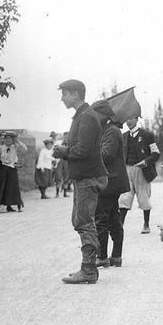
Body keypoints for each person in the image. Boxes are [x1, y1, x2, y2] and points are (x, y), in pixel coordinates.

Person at [53, 80, 107, 284]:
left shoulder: (86, 117)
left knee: (84, 222)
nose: (62, 98)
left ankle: (89, 270)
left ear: (75, 94)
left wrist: (63, 151)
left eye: (65, 94)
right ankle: (89, 267)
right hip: (84, 177)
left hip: (88, 177)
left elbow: (83, 149)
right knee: (81, 221)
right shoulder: (84, 115)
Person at [90, 100, 129, 268]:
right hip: (112, 181)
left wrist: (89, 149)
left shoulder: (111, 131)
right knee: (113, 218)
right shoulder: (106, 130)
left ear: (104, 115)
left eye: (95, 114)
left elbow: (107, 155)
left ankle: (102, 257)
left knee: (101, 219)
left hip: (109, 182)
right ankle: (116, 257)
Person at [118, 114, 160, 234]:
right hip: (127, 170)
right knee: (124, 197)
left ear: (137, 119)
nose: (128, 121)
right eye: (127, 118)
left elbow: (156, 153)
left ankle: (146, 224)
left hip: (142, 170)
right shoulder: (123, 136)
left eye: (131, 118)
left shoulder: (147, 135)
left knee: (143, 197)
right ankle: (120, 225)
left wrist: (146, 162)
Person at [0, 131, 25, 211]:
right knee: (1, 187)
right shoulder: (1, 147)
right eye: (6, 139)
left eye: (10, 139)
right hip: (3, 168)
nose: (8, 140)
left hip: (12, 168)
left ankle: (14, 204)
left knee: (13, 187)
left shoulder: (14, 146)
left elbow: (24, 149)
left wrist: (17, 140)